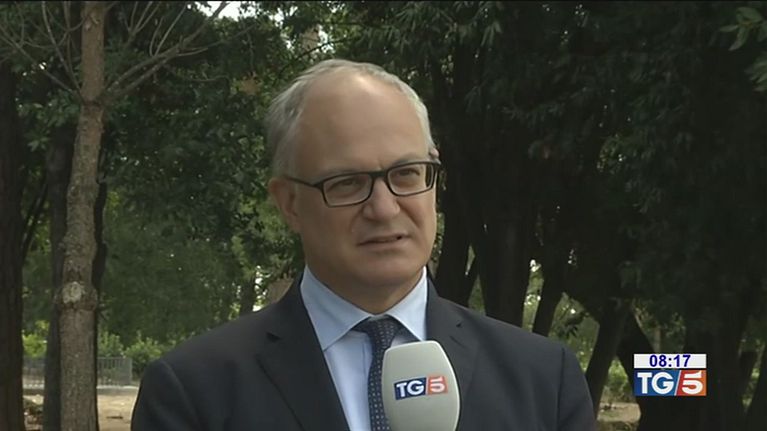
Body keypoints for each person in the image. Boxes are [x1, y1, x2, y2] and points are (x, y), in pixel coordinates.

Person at [131, 59, 596, 431]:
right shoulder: (194, 391)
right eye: (348, 183)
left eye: (406, 174)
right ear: (289, 203)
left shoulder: (543, 379)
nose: (384, 208)